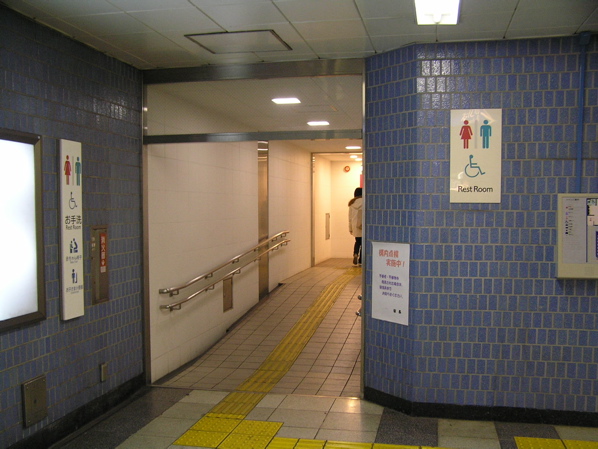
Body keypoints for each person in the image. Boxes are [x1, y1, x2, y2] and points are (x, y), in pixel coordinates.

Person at [348, 187, 363, 265]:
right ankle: (361, 260)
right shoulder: (365, 201)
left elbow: (350, 218)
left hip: (355, 226)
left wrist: (350, 229)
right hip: (362, 226)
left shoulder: (352, 203)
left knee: (357, 242)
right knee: (363, 243)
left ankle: (355, 254)